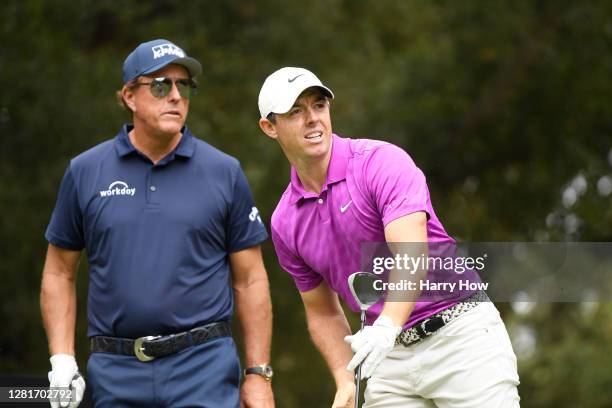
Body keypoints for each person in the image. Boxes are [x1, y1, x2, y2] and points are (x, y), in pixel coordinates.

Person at [258, 67, 520, 408]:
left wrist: (386, 326)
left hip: (460, 337)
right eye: (295, 111)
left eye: (318, 105)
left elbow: (411, 254)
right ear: (269, 127)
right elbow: (321, 311)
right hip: (389, 359)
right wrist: (344, 377)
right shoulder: (285, 221)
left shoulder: (380, 163)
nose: (312, 119)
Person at [41, 39, 275, 408]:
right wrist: (62, 360)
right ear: (130, 96)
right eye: (161, 85)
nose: (176, 96)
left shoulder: (223, 171)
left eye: (184, 86)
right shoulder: (85, 171)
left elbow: (251, 279)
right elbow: (58, 272)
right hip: (116, 371)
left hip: (203, 368)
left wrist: (258, 374)